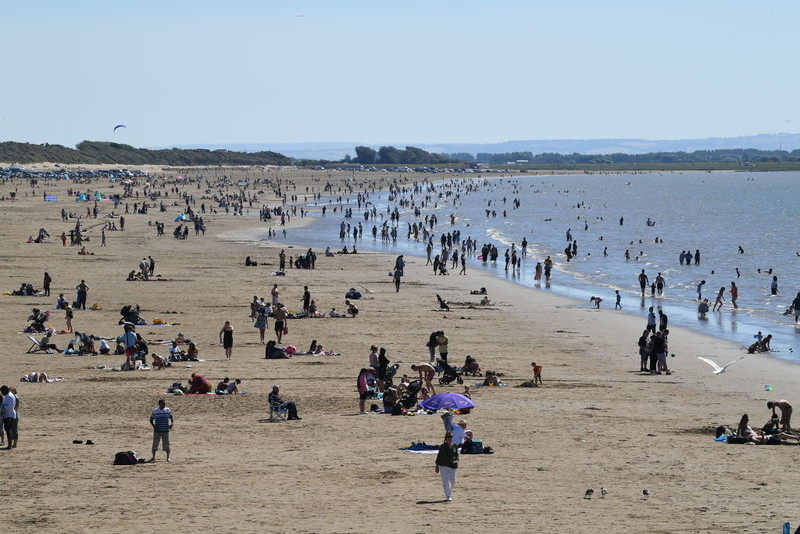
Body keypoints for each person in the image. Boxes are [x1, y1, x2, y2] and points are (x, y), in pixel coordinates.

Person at [434, 432, 459, 502]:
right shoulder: (442, 446)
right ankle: (448, 495)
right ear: (446, 438)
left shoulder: (454, 445)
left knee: (453, 481)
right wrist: (437, 466)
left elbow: (457, 455)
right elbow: (439, 456)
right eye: (448, 437)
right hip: (443, 465)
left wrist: (457, 461)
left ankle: (449, 492)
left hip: (452, 465)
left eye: (451, 437)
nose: (450, 438)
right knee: (445, 481)